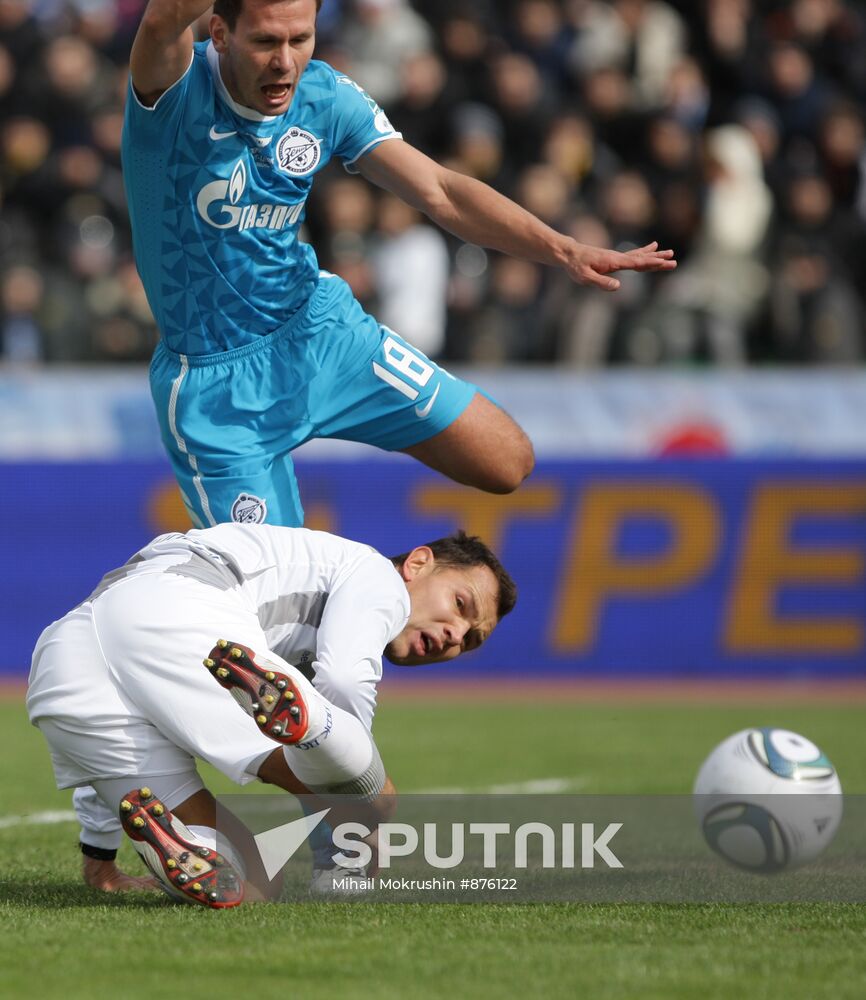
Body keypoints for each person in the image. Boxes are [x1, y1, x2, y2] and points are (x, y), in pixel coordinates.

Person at [71, 0, 674, 887]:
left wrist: (559, 246)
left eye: (301, 38)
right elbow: (162, 22)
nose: (284, 60)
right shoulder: (168, 89)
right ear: (221, 32)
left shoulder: (324, 98)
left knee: (507, 459)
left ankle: (355, 682)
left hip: (323, 337)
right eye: (267, 40)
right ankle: (307, 821)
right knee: (266, 642)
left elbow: (437, 190)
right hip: (219, 393)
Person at [27, 523, 516, 906]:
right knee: (374, 794)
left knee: (254, 884)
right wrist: (363, 807)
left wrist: (100, 861)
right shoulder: (377, 576)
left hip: (67, 657)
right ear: (418, 563)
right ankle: (330, 779)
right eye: (460, 604)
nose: (456, 633)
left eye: (471, 640)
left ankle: (182, 842)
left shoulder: (308, 607)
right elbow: (344, 679)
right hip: (189, 613)